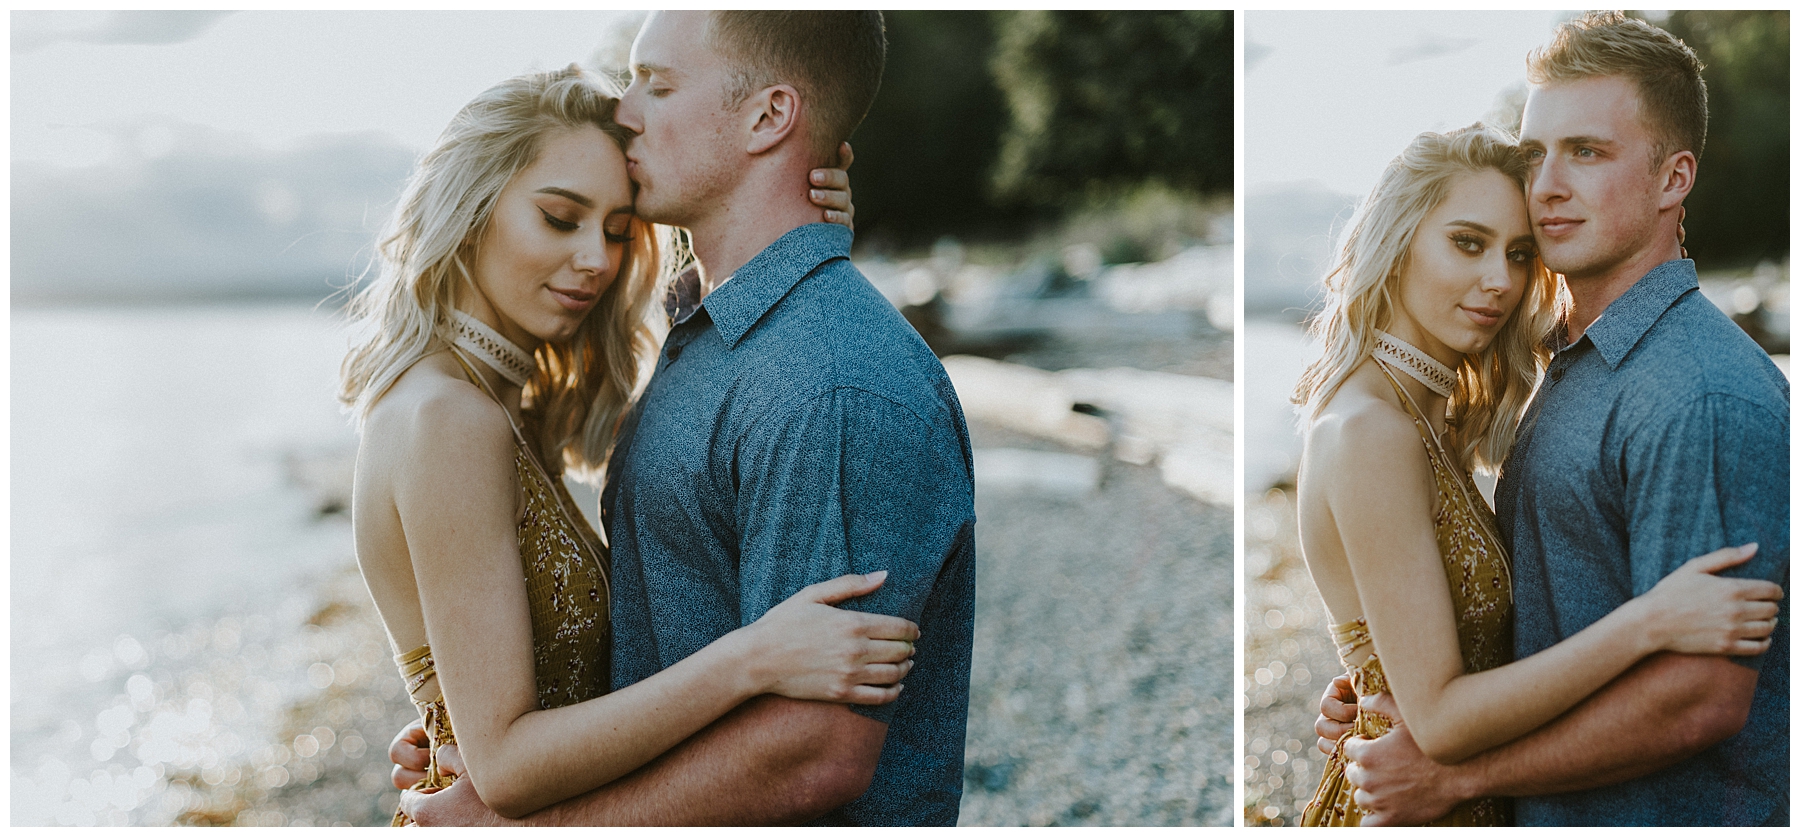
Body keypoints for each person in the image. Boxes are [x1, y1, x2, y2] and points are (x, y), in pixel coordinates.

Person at [394, 12, 979, 826]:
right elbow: (666, 622)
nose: (623, 109)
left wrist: (532, 825)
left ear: (769, 116)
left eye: (657, 85)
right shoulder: (708, 338)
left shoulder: (834, 385)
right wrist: (474, 702)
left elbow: (814, 752)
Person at [1309, 13, 1790, 827]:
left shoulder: (1698, 392)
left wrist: (1459, 776)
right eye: (1538, 154)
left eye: (1589, 152)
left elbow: (1698, 700)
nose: (1548, 186)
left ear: (1675, 179)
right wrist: (1383, 670)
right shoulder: (1572, 363)